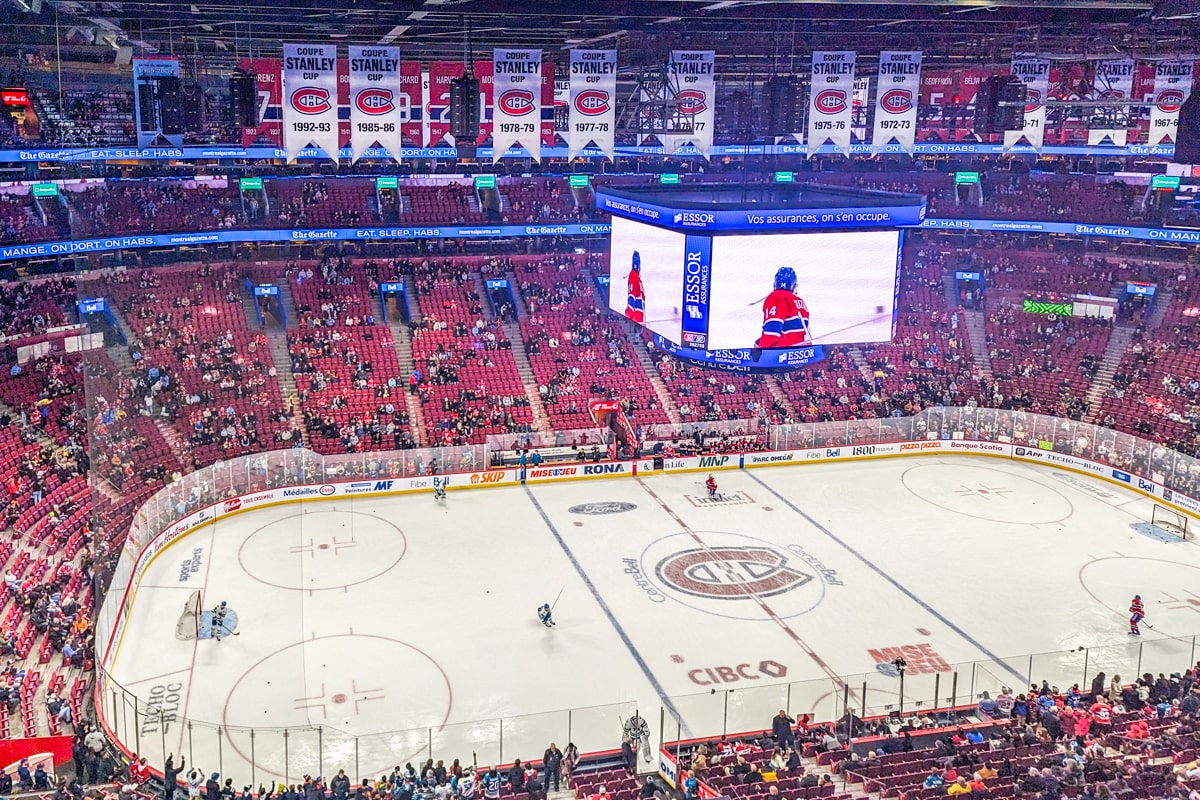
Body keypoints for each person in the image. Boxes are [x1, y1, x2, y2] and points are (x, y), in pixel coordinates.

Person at [756, 267, 809, 349]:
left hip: (783, 351)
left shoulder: (776, 297)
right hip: (803, 351)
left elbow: (772, 329)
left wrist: (761, 348)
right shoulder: (801, 302)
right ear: (793, 285)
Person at [625, 251, 645, 324]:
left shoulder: (638, 279)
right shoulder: (633, 276)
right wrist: (629, 314)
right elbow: (631, 296)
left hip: (640, 318)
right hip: (636, 318)